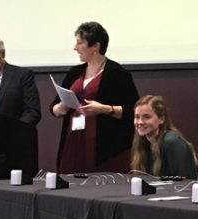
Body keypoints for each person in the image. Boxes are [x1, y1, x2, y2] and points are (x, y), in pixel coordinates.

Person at [51, 21, 139, 174]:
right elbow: (54, 107)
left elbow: (132, 110)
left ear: (96, 46)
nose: (75, 48)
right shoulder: (74, 72)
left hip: (103, 147)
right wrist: (61, 108)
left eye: (80, 43)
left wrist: (104, 109)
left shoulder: (117, 73)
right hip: (73, 143)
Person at [130, 95, 198, 179]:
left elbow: (184, 183)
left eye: (147, 117)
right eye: (137, 117)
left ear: (161, 119)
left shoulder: (172, 142)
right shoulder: (144, 143)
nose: (140, 122)